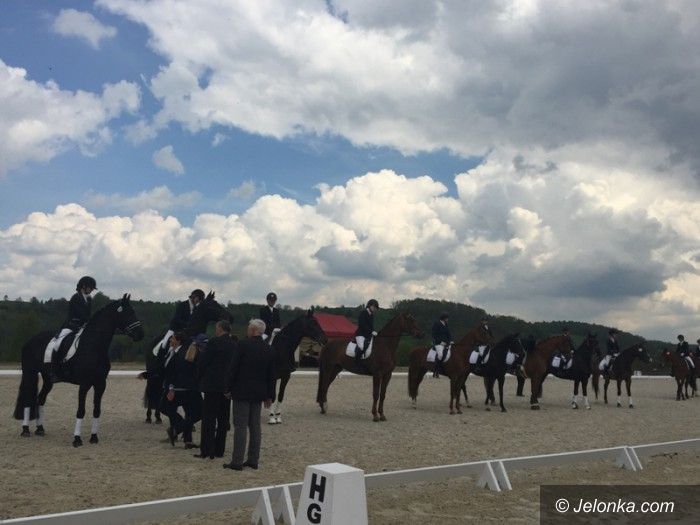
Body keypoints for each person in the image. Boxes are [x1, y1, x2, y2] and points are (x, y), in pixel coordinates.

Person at [223, 319, 275, 471]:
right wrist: (270, 395)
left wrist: (227, 387)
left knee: (240, 426)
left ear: (253, 330)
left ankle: (237, 461)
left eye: (248, 328)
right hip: (259, 393)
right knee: (255, 426)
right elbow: (271, 374)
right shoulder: (268, 349)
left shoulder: (242, 345)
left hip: (242, 391)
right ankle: (253, 459)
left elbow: (233, 368)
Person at [196, 320, 236, 459]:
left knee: (209, 418)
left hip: (212, 385)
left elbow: (204, 361)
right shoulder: (234, 344)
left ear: (220, 329)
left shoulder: (214, 342)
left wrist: (200, 376)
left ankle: (207, 449)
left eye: (216, 327)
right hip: (226, 387)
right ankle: (220, 449)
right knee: (223, 419)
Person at [50, 276, 97, 376]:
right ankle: (55, 367)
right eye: (91, 288)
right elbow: (79, 313)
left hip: (83, 326)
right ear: (84, 286)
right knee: (58, 343)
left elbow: (88, 314)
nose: (92, 290)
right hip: (71, 325)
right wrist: (87, 321)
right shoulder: (76, 297)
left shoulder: (89, 299)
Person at [162, 332, 201, 449]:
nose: (170, 340)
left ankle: (187, 439)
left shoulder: (181, 352)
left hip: (181, 387)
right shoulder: (180, 353)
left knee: (190, 412)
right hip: (186, 388)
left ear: (179, 341)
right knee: (198, 412)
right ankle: (177, 429)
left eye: (172, 339)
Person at [354, 299, 379, 364]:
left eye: (376, 307)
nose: (375, 308)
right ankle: (356, 363)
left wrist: (374, 331)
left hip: (368, 335)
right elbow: (362, 325)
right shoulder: (363, 313)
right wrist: (371, 331)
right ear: (369, 306)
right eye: (374, 306)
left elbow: (371, 326)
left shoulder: (371, 315)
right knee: (361, 347)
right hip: (360, 334)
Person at [431, 312, 453, 378]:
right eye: (447, 318)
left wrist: (451, 340)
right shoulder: (437, 324)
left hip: (446, 343)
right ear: (444, 318)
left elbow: (448, 334)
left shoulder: (446, 324)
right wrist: (440, 342)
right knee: (440, 355)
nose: (448, 319)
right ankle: (436, 371)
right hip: (438, 343)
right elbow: (434, 334)